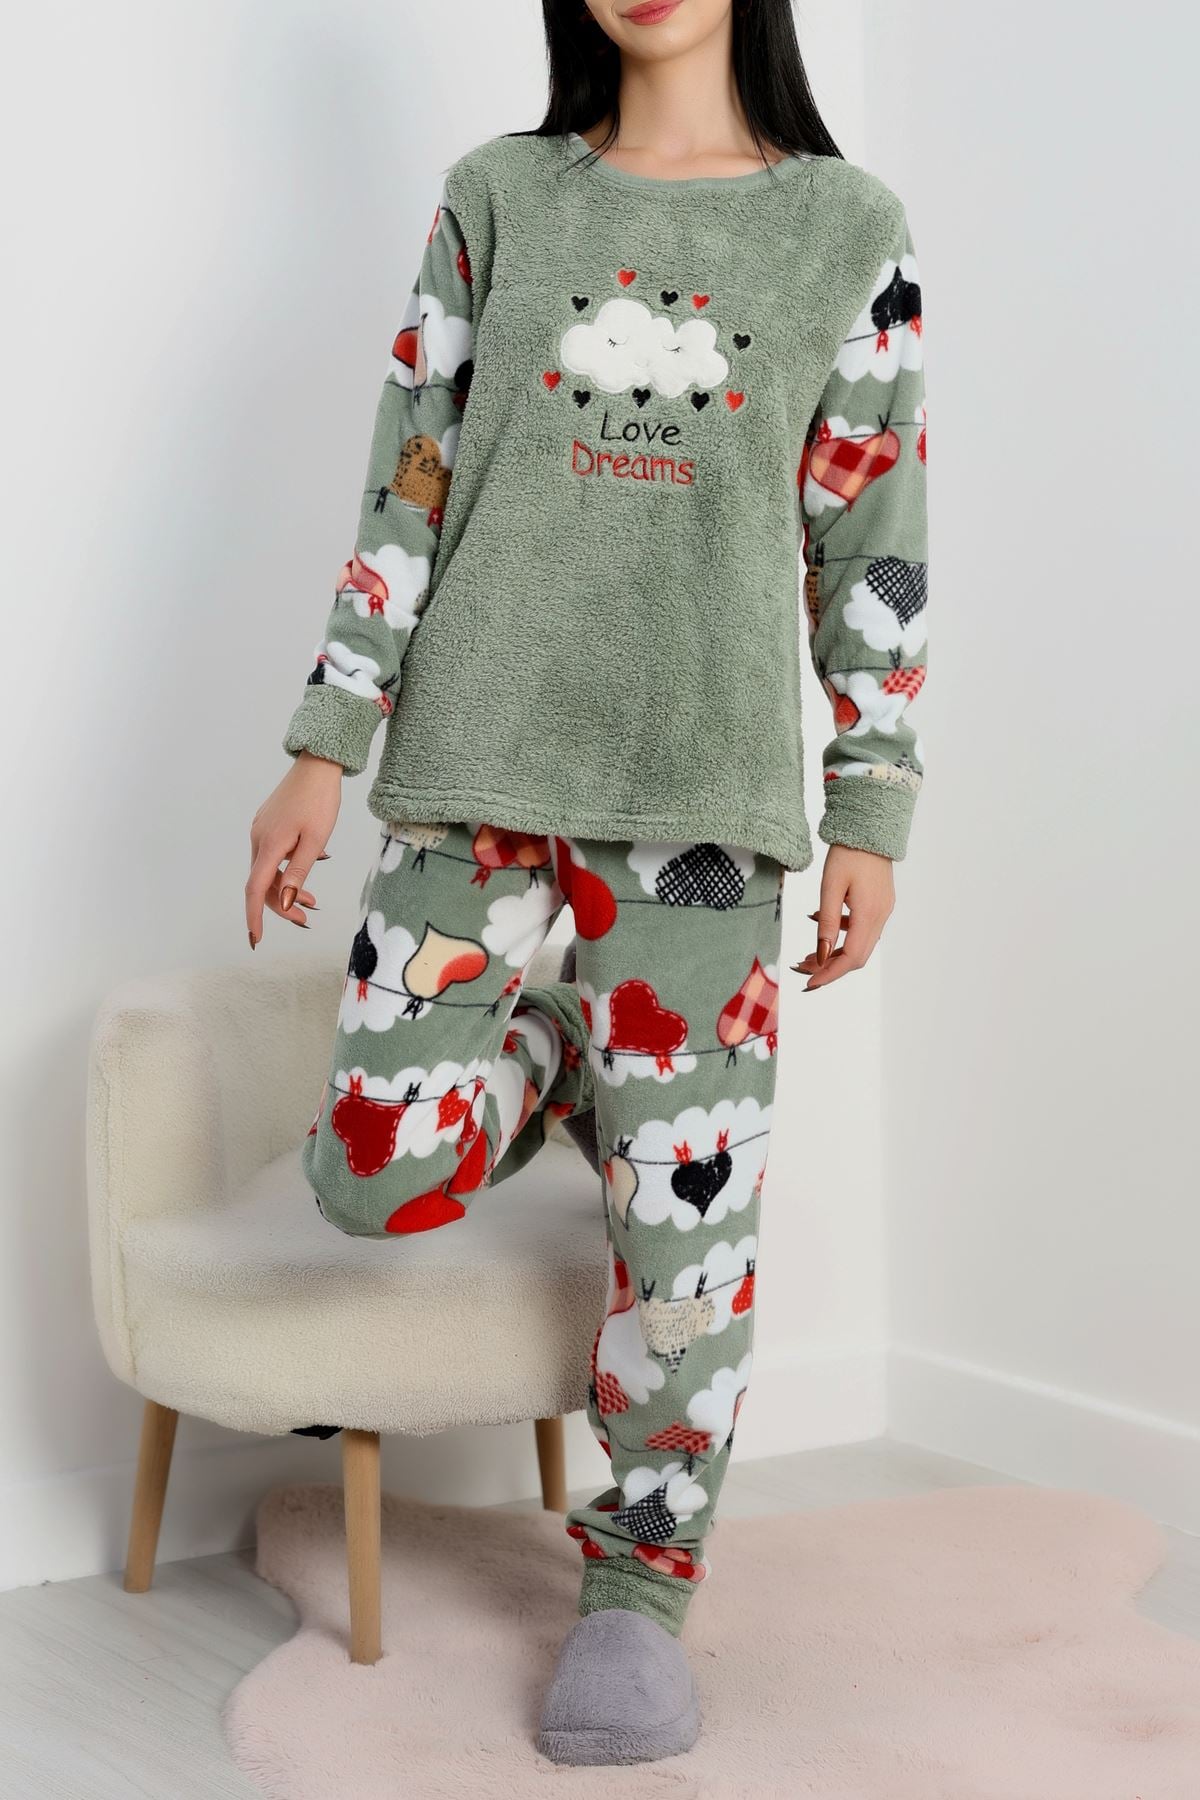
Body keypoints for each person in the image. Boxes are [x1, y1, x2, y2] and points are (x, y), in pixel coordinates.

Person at [245, 0, 929, 1769]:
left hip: (704, 798)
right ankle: (553, 1056)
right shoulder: (501, 195)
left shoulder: (844, 229)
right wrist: (326, 736)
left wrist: (871, 801)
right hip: (474, 770)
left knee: (684, 1244)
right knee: (369, 1174)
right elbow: (409, 473)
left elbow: (871, 530)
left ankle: (636, 1593)